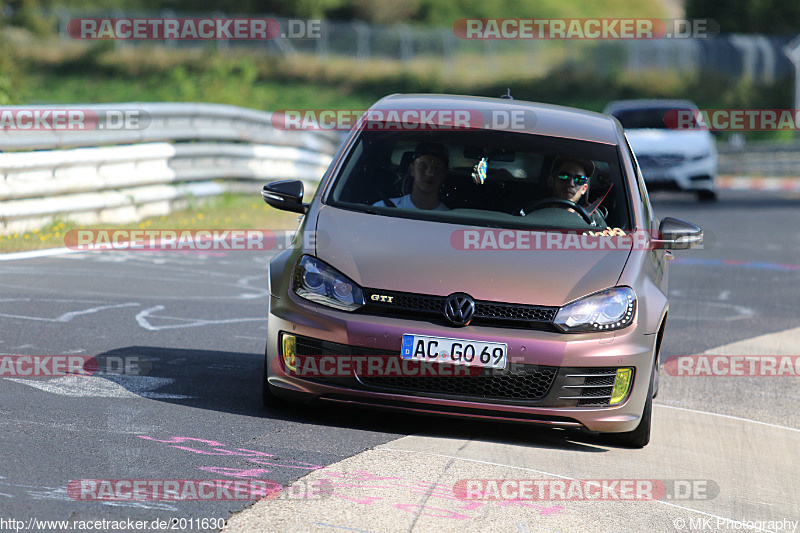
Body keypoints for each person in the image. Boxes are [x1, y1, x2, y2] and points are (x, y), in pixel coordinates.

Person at [521, 156, 606, 226]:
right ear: (551, 181)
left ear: (584, 189)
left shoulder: (593, 220)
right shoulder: (530, 213)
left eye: (579, 179)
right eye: (564, 176)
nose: (571, 183)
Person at [374, 142, 450, 211]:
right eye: (423, 166)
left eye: (437, 168)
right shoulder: (383, 208)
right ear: (412, 169)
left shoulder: (452, 219)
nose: (429, 173)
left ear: (444, 174)